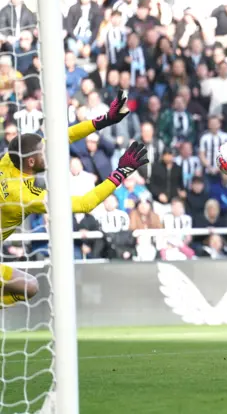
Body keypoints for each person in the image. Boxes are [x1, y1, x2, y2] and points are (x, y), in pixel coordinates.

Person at [0, 90, 148, 308]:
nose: (50, 153)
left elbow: (64, 137)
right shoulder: (25, 195)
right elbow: (85, 203)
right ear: (31, 162)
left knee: (29, 286)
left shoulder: (9, 160)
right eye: (44, 152)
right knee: (29, 287)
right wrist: (121, 172)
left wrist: (105, 120)